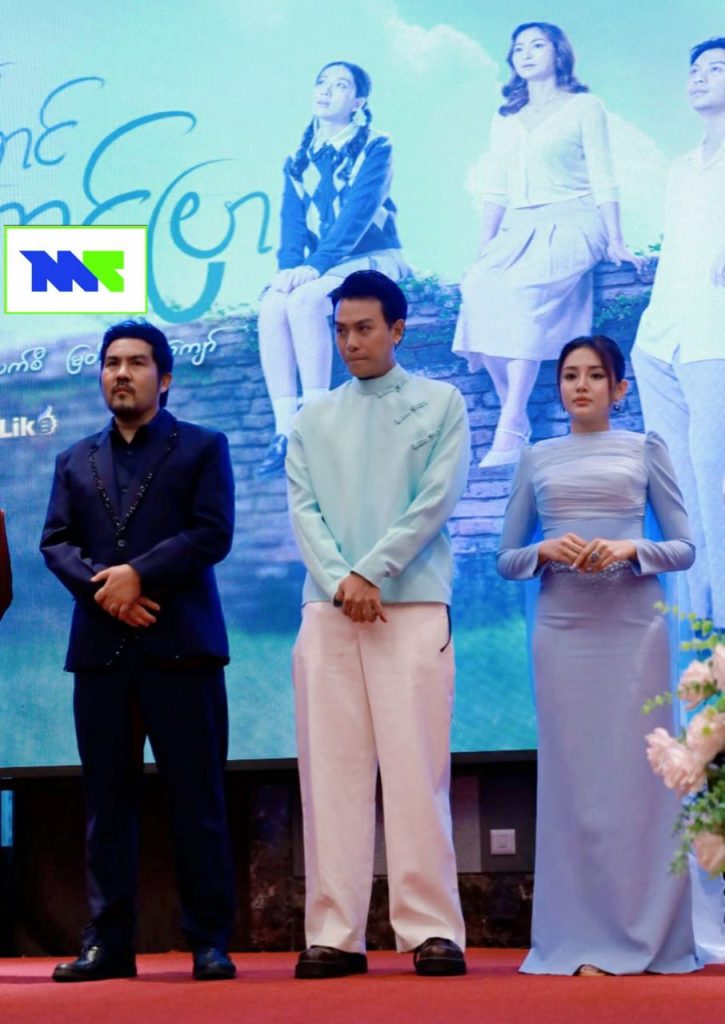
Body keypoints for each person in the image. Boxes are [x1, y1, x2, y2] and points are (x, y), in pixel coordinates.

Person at [40, 321, 237, 982]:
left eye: (137, 363)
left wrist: (139, 576)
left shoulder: (202, 447)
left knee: (198, 801)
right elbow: (56, 544)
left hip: (183, 650)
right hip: (102, 655)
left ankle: (208, 941)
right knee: (107, 805)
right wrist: (110, 591)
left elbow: (211, 533)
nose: (121, 373)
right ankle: (108, 944)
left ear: (166, 376)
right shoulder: (74, 459)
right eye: (111, 363)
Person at [497, 335, 700, 975]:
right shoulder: (536, 457)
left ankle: (649, 937)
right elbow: (506, 558)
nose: (579, 386)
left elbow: (685, 546)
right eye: (569, 376)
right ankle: (578, 938)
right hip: (563, 630)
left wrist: (629, 549)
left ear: (619, 388)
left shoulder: (644, 448)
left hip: (634, 630)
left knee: (639, 781)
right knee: (574, 785)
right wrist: (543, 551)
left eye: (593, 375)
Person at [286, 270, 469, 979]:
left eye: (363, 328)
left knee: (416, 769)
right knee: (329, 773)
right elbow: (304, 511)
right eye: (340, 330)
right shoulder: (312, 417)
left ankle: (431, 929)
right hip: (328, 609)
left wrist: (372, 572)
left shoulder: (440, 402)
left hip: (411, 606)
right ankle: (335, 933)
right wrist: (342, 580)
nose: (349, 342)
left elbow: (435, 501)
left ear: (397, 329)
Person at [453, 22, 642, 467]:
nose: (526, 53)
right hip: (519, 226)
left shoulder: (584, 107)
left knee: (522, 293)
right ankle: (515, 417)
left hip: (574, 220)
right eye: (519, 47)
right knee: (478, 287)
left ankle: (509, 425)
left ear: (558, 53)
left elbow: (603, 175)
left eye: (537, 45)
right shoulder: (505, 118)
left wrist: (615, 238)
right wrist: (484, 249)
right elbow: (496, 189)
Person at [257, 60, 406, 477]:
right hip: (322, 264)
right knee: (273, 304)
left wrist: (317, 265)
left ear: (358, 101)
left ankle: (318, 421)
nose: (325, 90)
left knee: (305, 301)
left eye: (340, 85)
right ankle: (285, 431)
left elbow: (358, 214)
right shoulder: (298, 157)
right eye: (321, 82)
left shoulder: (375, 145)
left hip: (371, 256)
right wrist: (289, 268)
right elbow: (291, 222)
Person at [632, 37, 725, 628]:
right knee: (678, 490)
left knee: (716, 478)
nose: (700, 77)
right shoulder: (680, 168)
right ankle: (700, 626)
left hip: (716, 337)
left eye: (716, 68)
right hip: (662, 337)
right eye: (695, 69)